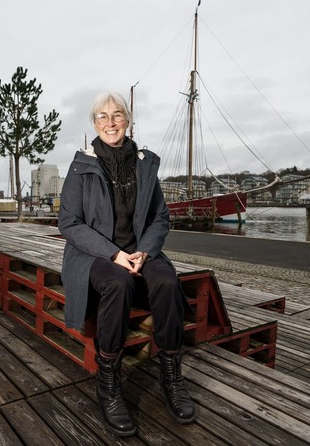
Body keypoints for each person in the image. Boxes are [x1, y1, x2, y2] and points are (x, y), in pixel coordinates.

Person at [58, 92, 196, 436]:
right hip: (95, 255)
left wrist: (145, 251)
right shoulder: (81, 166)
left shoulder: (144, 163)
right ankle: (109, 383)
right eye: (102, 117)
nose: (110, 122)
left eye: (117, 115)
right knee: (117, 283)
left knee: (166, 281)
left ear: (127, 120)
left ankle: (171, 377)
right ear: (94, 123)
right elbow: (69, 222)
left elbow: (160, 217)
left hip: (139, 251)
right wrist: (113, 254)